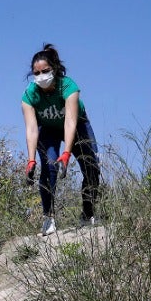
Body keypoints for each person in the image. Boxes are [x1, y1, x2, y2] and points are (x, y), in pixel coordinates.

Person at [21, 42, 102, 236]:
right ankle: (48, 218)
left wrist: (67, 153)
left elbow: (71, 121)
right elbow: (32, 128)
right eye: (36, 73)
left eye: (45, 71)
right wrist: (31, 159)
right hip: (48, 129)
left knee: (91, 166)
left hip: (76, 125)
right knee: (49, 167)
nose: (41, 76)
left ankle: (87, 213)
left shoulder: (69, 86)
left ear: (55, 69)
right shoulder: (29, 95)